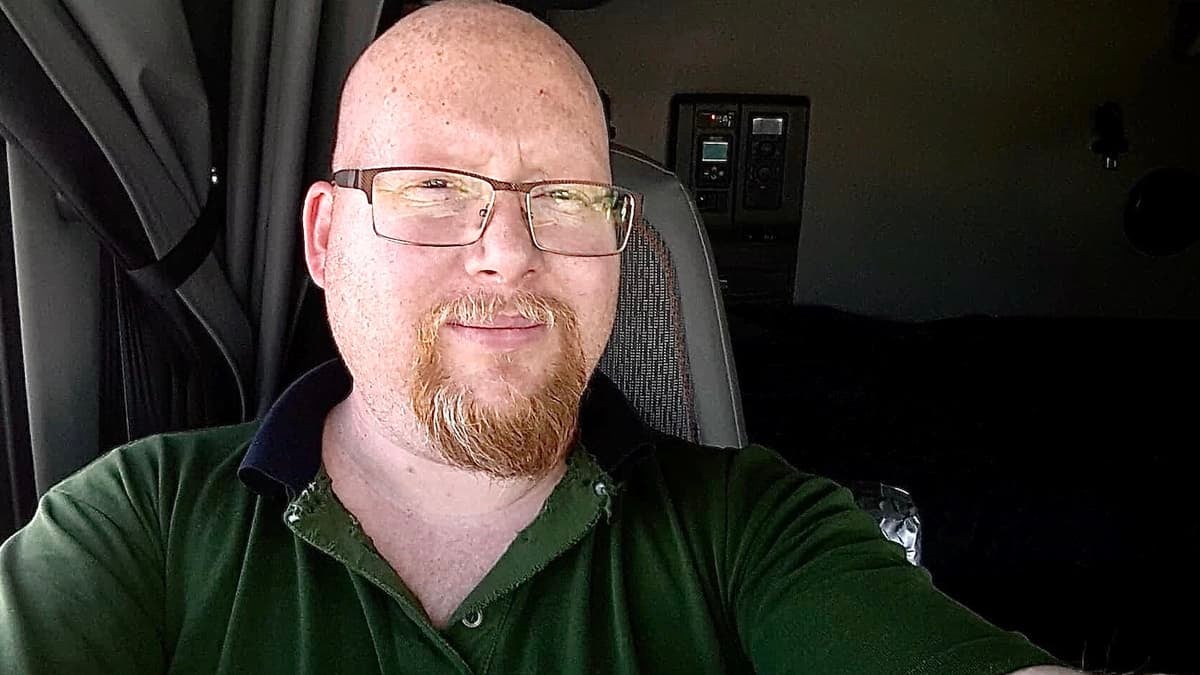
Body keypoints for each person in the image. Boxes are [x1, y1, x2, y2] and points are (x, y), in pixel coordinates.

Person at [0, 2, 1080, 672]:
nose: (511, 251)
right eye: (435, 188)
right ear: (327, 237)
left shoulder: (754, 531)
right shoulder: (132, 528)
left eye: (564, 196)